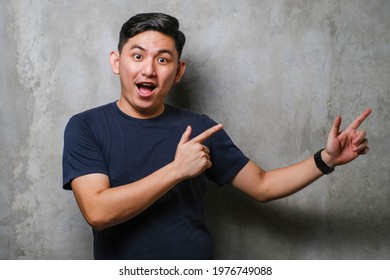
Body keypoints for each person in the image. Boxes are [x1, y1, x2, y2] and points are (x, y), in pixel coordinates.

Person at [62, 12, 371, 260]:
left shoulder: (199, 128)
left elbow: (263, 185)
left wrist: (325, 159)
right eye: (138, 56)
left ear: (178, 71)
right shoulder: (86, 126)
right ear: (117, 62)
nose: (149, 71)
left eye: (162, 59)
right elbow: (98, 211)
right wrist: (176, 170)